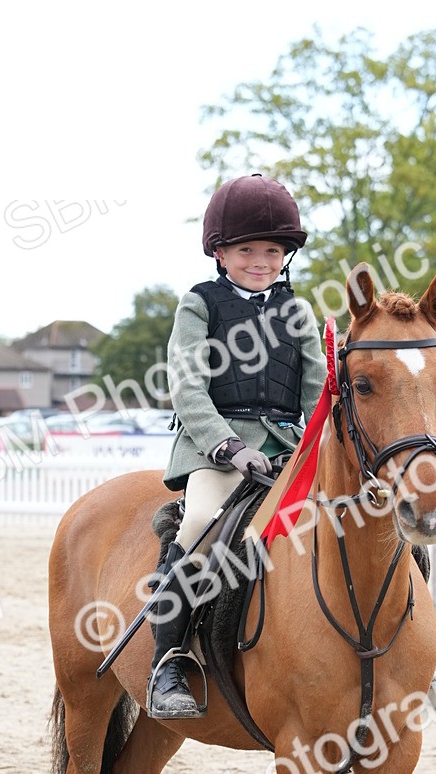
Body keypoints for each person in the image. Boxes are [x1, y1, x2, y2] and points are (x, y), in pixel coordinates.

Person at [148, 173, 327, 720]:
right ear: (221, 253)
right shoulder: (199, 304)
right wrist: (227, 448)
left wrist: (324, 442)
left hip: (288, 448)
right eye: (247, 249)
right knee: (202, 521)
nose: (260, 260)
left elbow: (318, 386)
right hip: (215, 447)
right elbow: (187, 386)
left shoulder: (298, 312)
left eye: (272, 251)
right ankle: (168, 662)